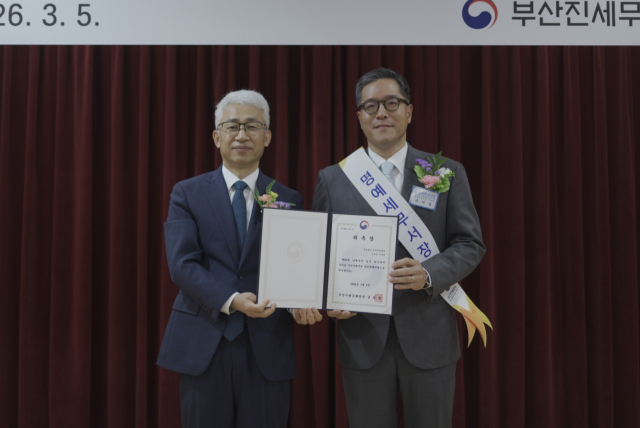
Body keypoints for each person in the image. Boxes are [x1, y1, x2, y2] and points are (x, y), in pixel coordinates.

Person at [312, 68, 485, 428]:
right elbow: (320, 253)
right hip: (362, 337)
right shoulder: (333, 179)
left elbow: (470, 244)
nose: (381, 113)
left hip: (429, 335)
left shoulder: (445, 172)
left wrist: (429, 273)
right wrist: (330, 296)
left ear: (409, 111)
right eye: (371, 106)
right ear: (359, 116)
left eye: (392, 103)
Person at [158, 89, 322, 428]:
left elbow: (294, 266)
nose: (242, 135)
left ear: (267, 137)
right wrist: (232, 300)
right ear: (217, 137)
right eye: (232, 126)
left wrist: (300, 303)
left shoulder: (289, 198)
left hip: (267, 344)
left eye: (252, 126)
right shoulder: (187, 193)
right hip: (204, 341)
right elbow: (182, 265)